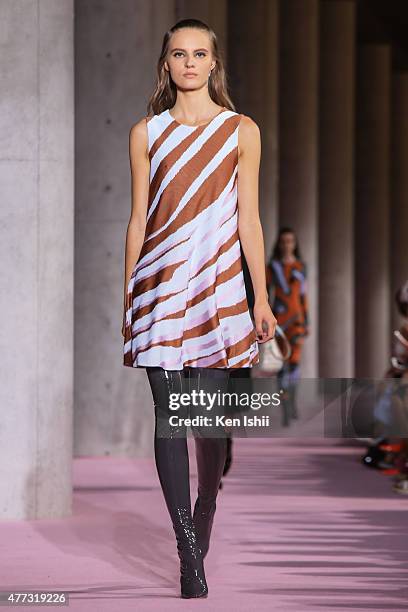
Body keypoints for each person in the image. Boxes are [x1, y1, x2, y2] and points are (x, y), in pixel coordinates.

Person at [121, 18, 276, 599]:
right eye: (179, 54)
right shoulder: (145, 133)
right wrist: (128, 293)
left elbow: (249, 220)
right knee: (169, 417)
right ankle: (189, 551)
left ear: (214, 63)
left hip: (218, 293)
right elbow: (137, 220)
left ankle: (207, 499)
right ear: (166, 64)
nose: (189, 62)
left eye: (200, 53)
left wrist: (260, 296)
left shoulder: (241, 131)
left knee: (206, 426)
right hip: (160, 291)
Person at [266, 227, 309, 426]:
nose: (287, 245)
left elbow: (303, 295)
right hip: (279, 323)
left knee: (294, 364)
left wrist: (307, 321)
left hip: (297, 322)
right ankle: (285, 408)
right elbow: (265, 294)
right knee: (281, 368)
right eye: (283, 241)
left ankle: (292, 402)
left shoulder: (301, 267)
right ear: (279, 243)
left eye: (290, 241)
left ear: (295, 244)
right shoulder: (272, 266)